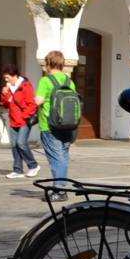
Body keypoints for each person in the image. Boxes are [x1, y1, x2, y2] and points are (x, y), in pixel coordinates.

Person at [35, 50, 77, 201]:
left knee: (55, 158)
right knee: (63, 156)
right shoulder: (68, 81)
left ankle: (59, 191)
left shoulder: (46, 81)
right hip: (67, 125)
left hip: (50, 125)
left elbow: (38, 101)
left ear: (48, 63)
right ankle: (62, 188)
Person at [0, 64, 39, 179]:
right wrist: (4, 93)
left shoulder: (25, 87)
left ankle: (33, 165)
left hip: (24, 120)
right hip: (13, 120)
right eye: (5, 78)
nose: (6, 80)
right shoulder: (10, 89)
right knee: (14, 145)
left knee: (21, 143)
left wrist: (25, 116)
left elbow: (32, 104)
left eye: (7, 78)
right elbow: (5, 105)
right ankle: (17, 170)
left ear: (15, 76)